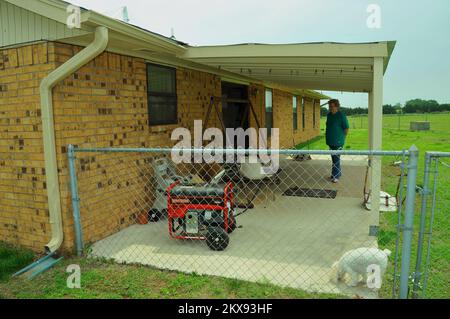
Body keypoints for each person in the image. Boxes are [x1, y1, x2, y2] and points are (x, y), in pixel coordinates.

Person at [325, 99, 349, 183]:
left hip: (338, 141)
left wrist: (342, 138)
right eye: (329, 106)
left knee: (336, 159)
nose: (330, 108)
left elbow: (346, 128)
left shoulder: (341, 115)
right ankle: (336, 174)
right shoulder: (329, 115)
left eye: (332, 106)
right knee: (334, 159)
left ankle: (335, 176)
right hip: (330, 141)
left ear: (337, 106)